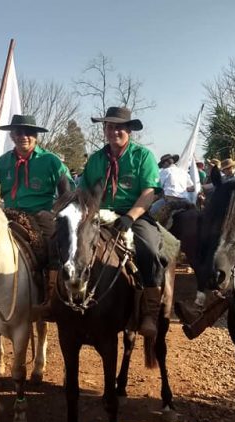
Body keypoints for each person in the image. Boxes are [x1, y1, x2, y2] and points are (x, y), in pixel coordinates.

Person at [78, 106, 164, 339]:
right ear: (105, 130)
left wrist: (130, 217)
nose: (115, 131)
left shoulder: (143, 156)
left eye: (120, 128)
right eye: (110, 127)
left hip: (133, 215)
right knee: (67, 242)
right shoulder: (96, 159)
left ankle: (150, 312)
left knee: (148, 248)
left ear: (129, 131)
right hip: (99, 214)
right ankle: (65, 298)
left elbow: (148, 193)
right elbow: (84, 191)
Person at [0, 114, 73, 320]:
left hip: (41, 215)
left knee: (55, 246)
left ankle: (50, 299)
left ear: (36, 136)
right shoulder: (3, 162)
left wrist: (53, 212)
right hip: (8, 214)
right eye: (19, 132)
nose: (24, 136)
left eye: (29, 132)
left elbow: (67, 192)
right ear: (12, 135)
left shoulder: (51, 161)